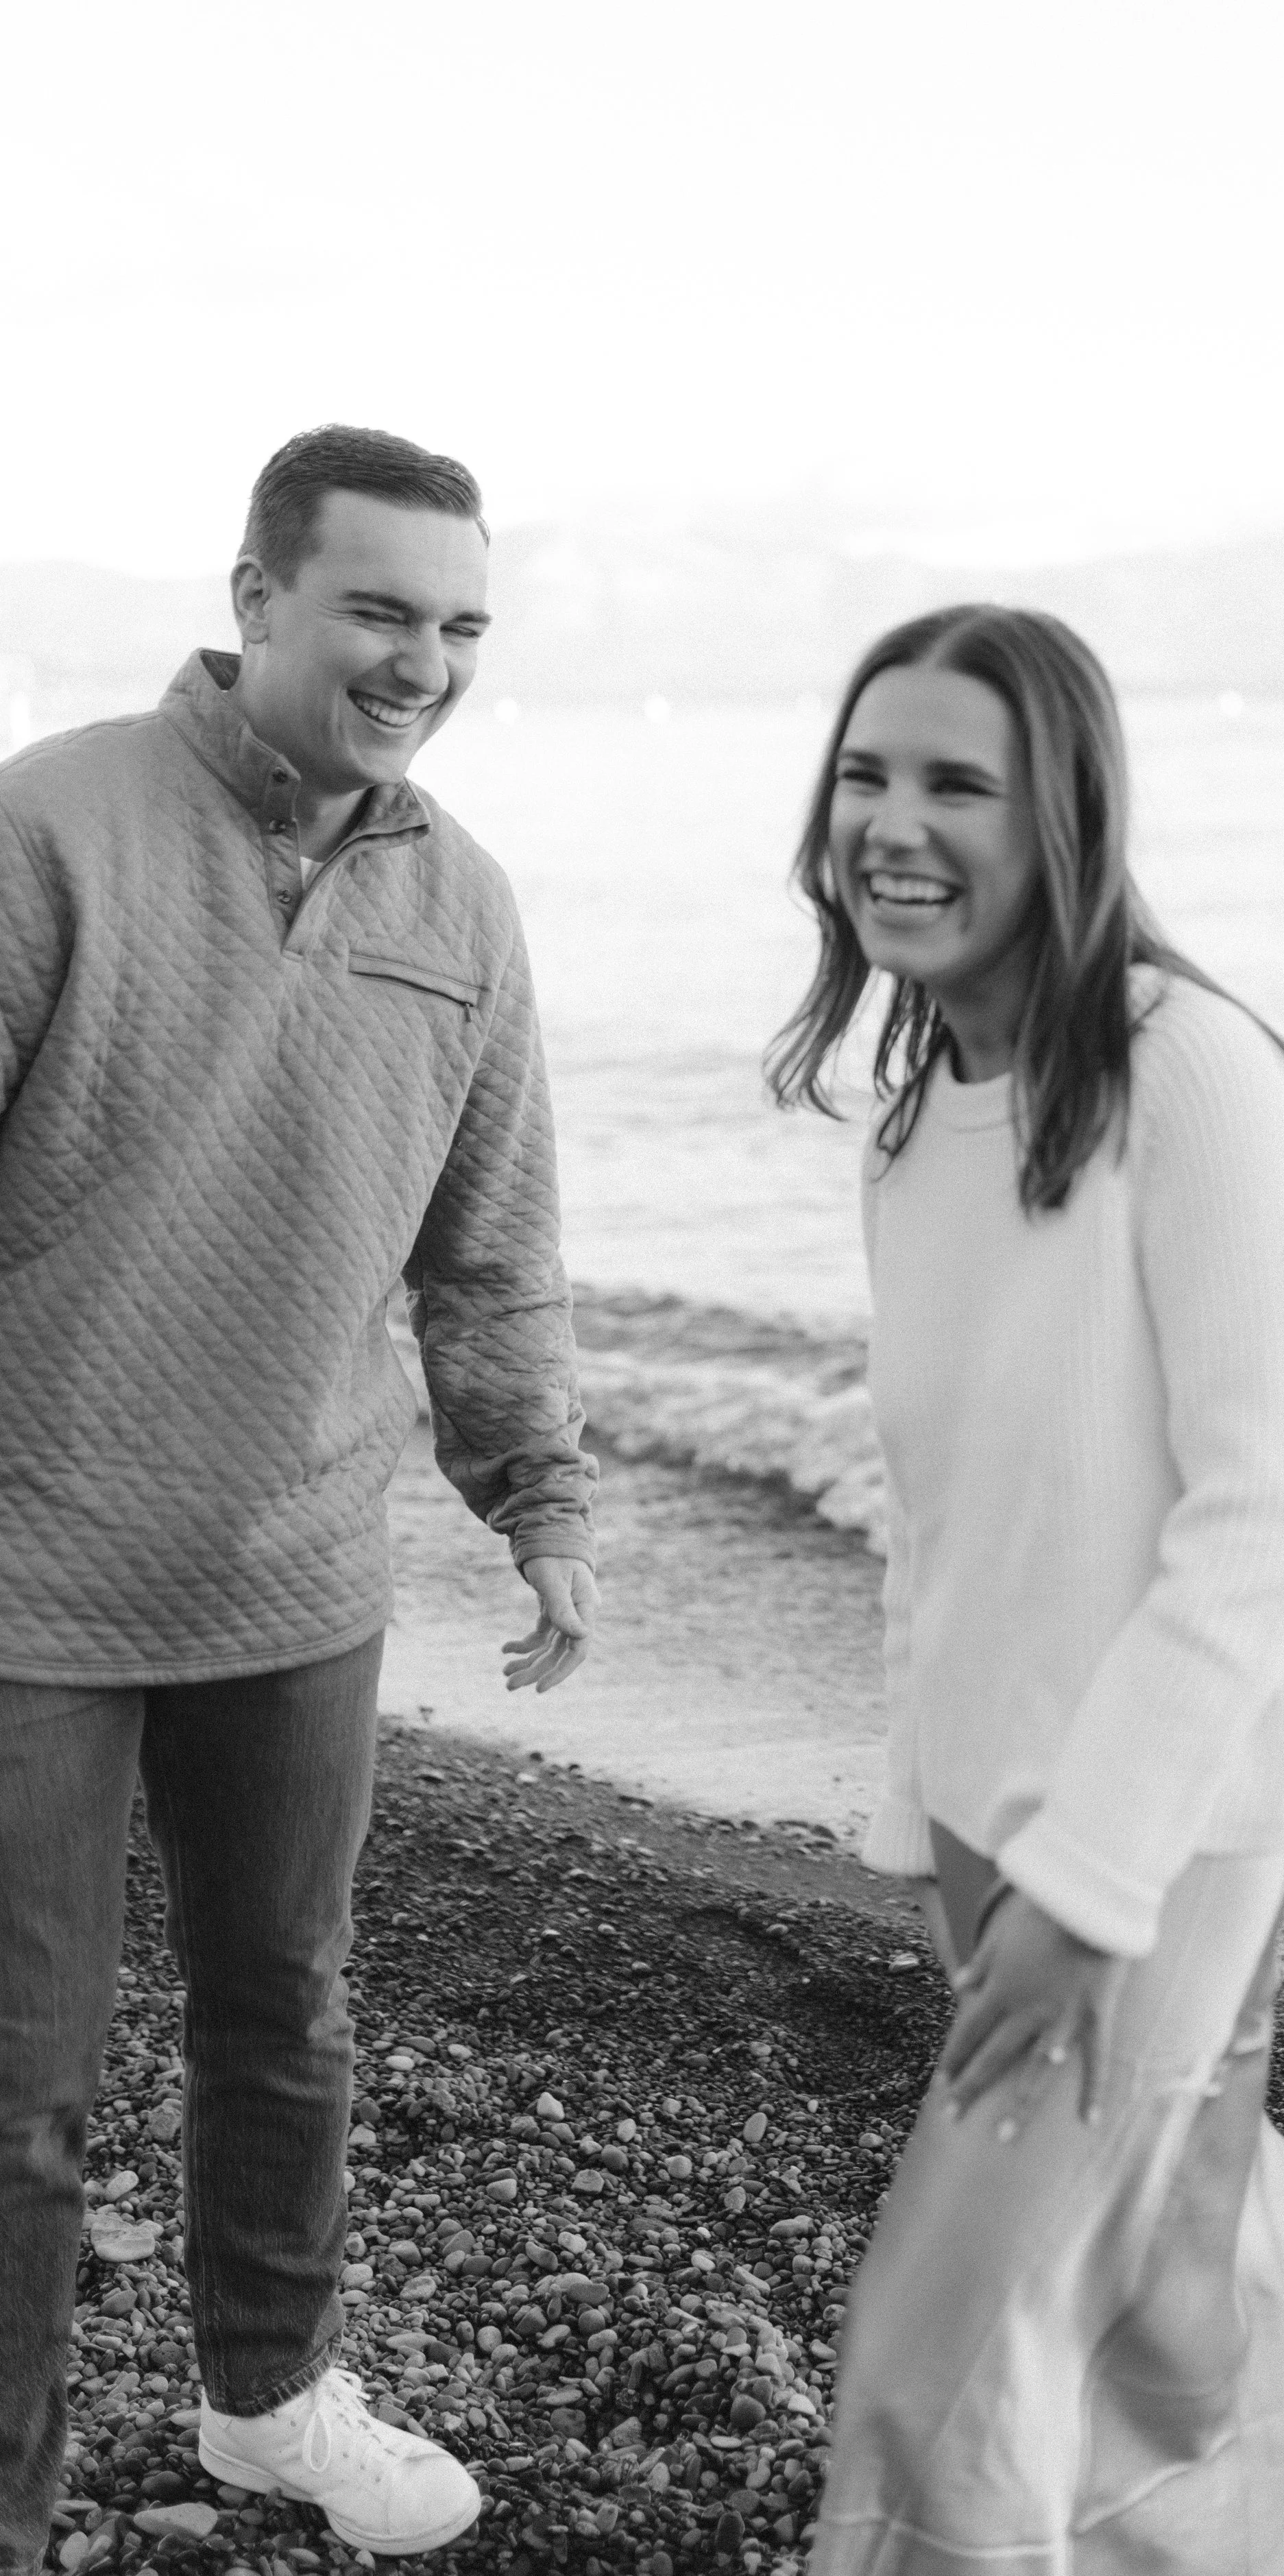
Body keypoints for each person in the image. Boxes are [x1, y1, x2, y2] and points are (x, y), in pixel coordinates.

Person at [767, 607, 1284, 2573]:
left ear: (1063, 814)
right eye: (864, 772)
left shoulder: (1192, 1072)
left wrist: (1082, 1886)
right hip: (1004, 1813)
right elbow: (955, 1526)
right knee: (1156, 2290)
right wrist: (935, 1818)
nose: (891, 823)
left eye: (954, 782)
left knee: (942, 2354)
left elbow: (1260, 1522)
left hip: (1158, 1831)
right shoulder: (912, 1122)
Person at [0, 426, 600, 2573]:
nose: (418, 659)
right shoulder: (52, 823)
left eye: (456, 625)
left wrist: (538, 1492)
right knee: (19, 2101)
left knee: (295, 2017)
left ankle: (270, 2401)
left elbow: (489, 1244)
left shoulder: (464, 901)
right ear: (256, 598)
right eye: (376, 609)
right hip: (29, 1576)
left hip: (298, 1572)